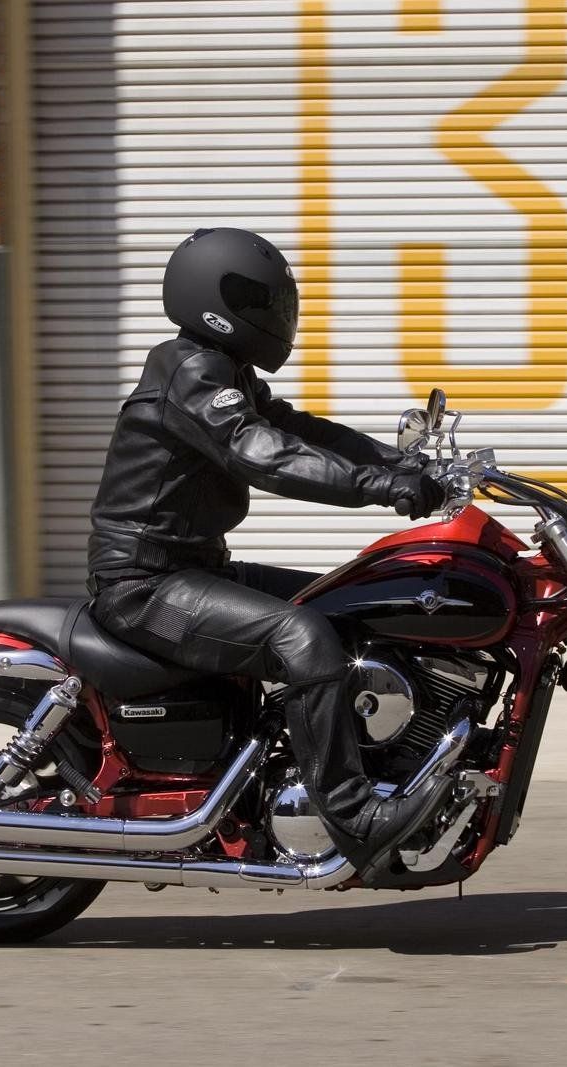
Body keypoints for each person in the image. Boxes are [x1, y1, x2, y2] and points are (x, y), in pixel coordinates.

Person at [87, 227, 449, 871]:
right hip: (144, 592)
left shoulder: (224, 372)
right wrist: (381, 486)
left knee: (348, 604)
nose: (278, 317)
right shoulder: (192, 372)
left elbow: (297, 430)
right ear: (219, 300)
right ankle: (353, 815)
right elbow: (261, 453)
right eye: (265, 303)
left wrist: (401, 462)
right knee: (304, 637)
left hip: (190, 572)